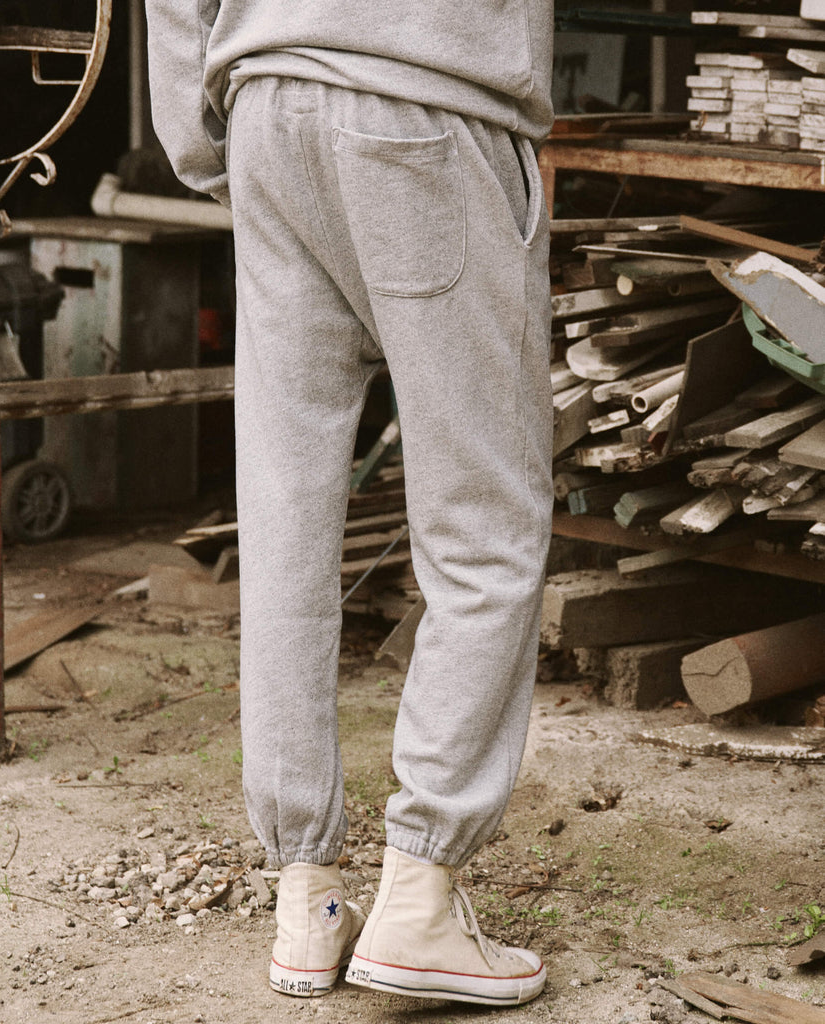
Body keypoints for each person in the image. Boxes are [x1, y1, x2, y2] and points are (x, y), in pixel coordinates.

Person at [146, 0, 555, 1007]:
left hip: (266, 105)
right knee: (484, 526)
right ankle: (418, 899)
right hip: (427, 96)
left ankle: (308, 899)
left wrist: (204, 136)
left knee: (285, 516)